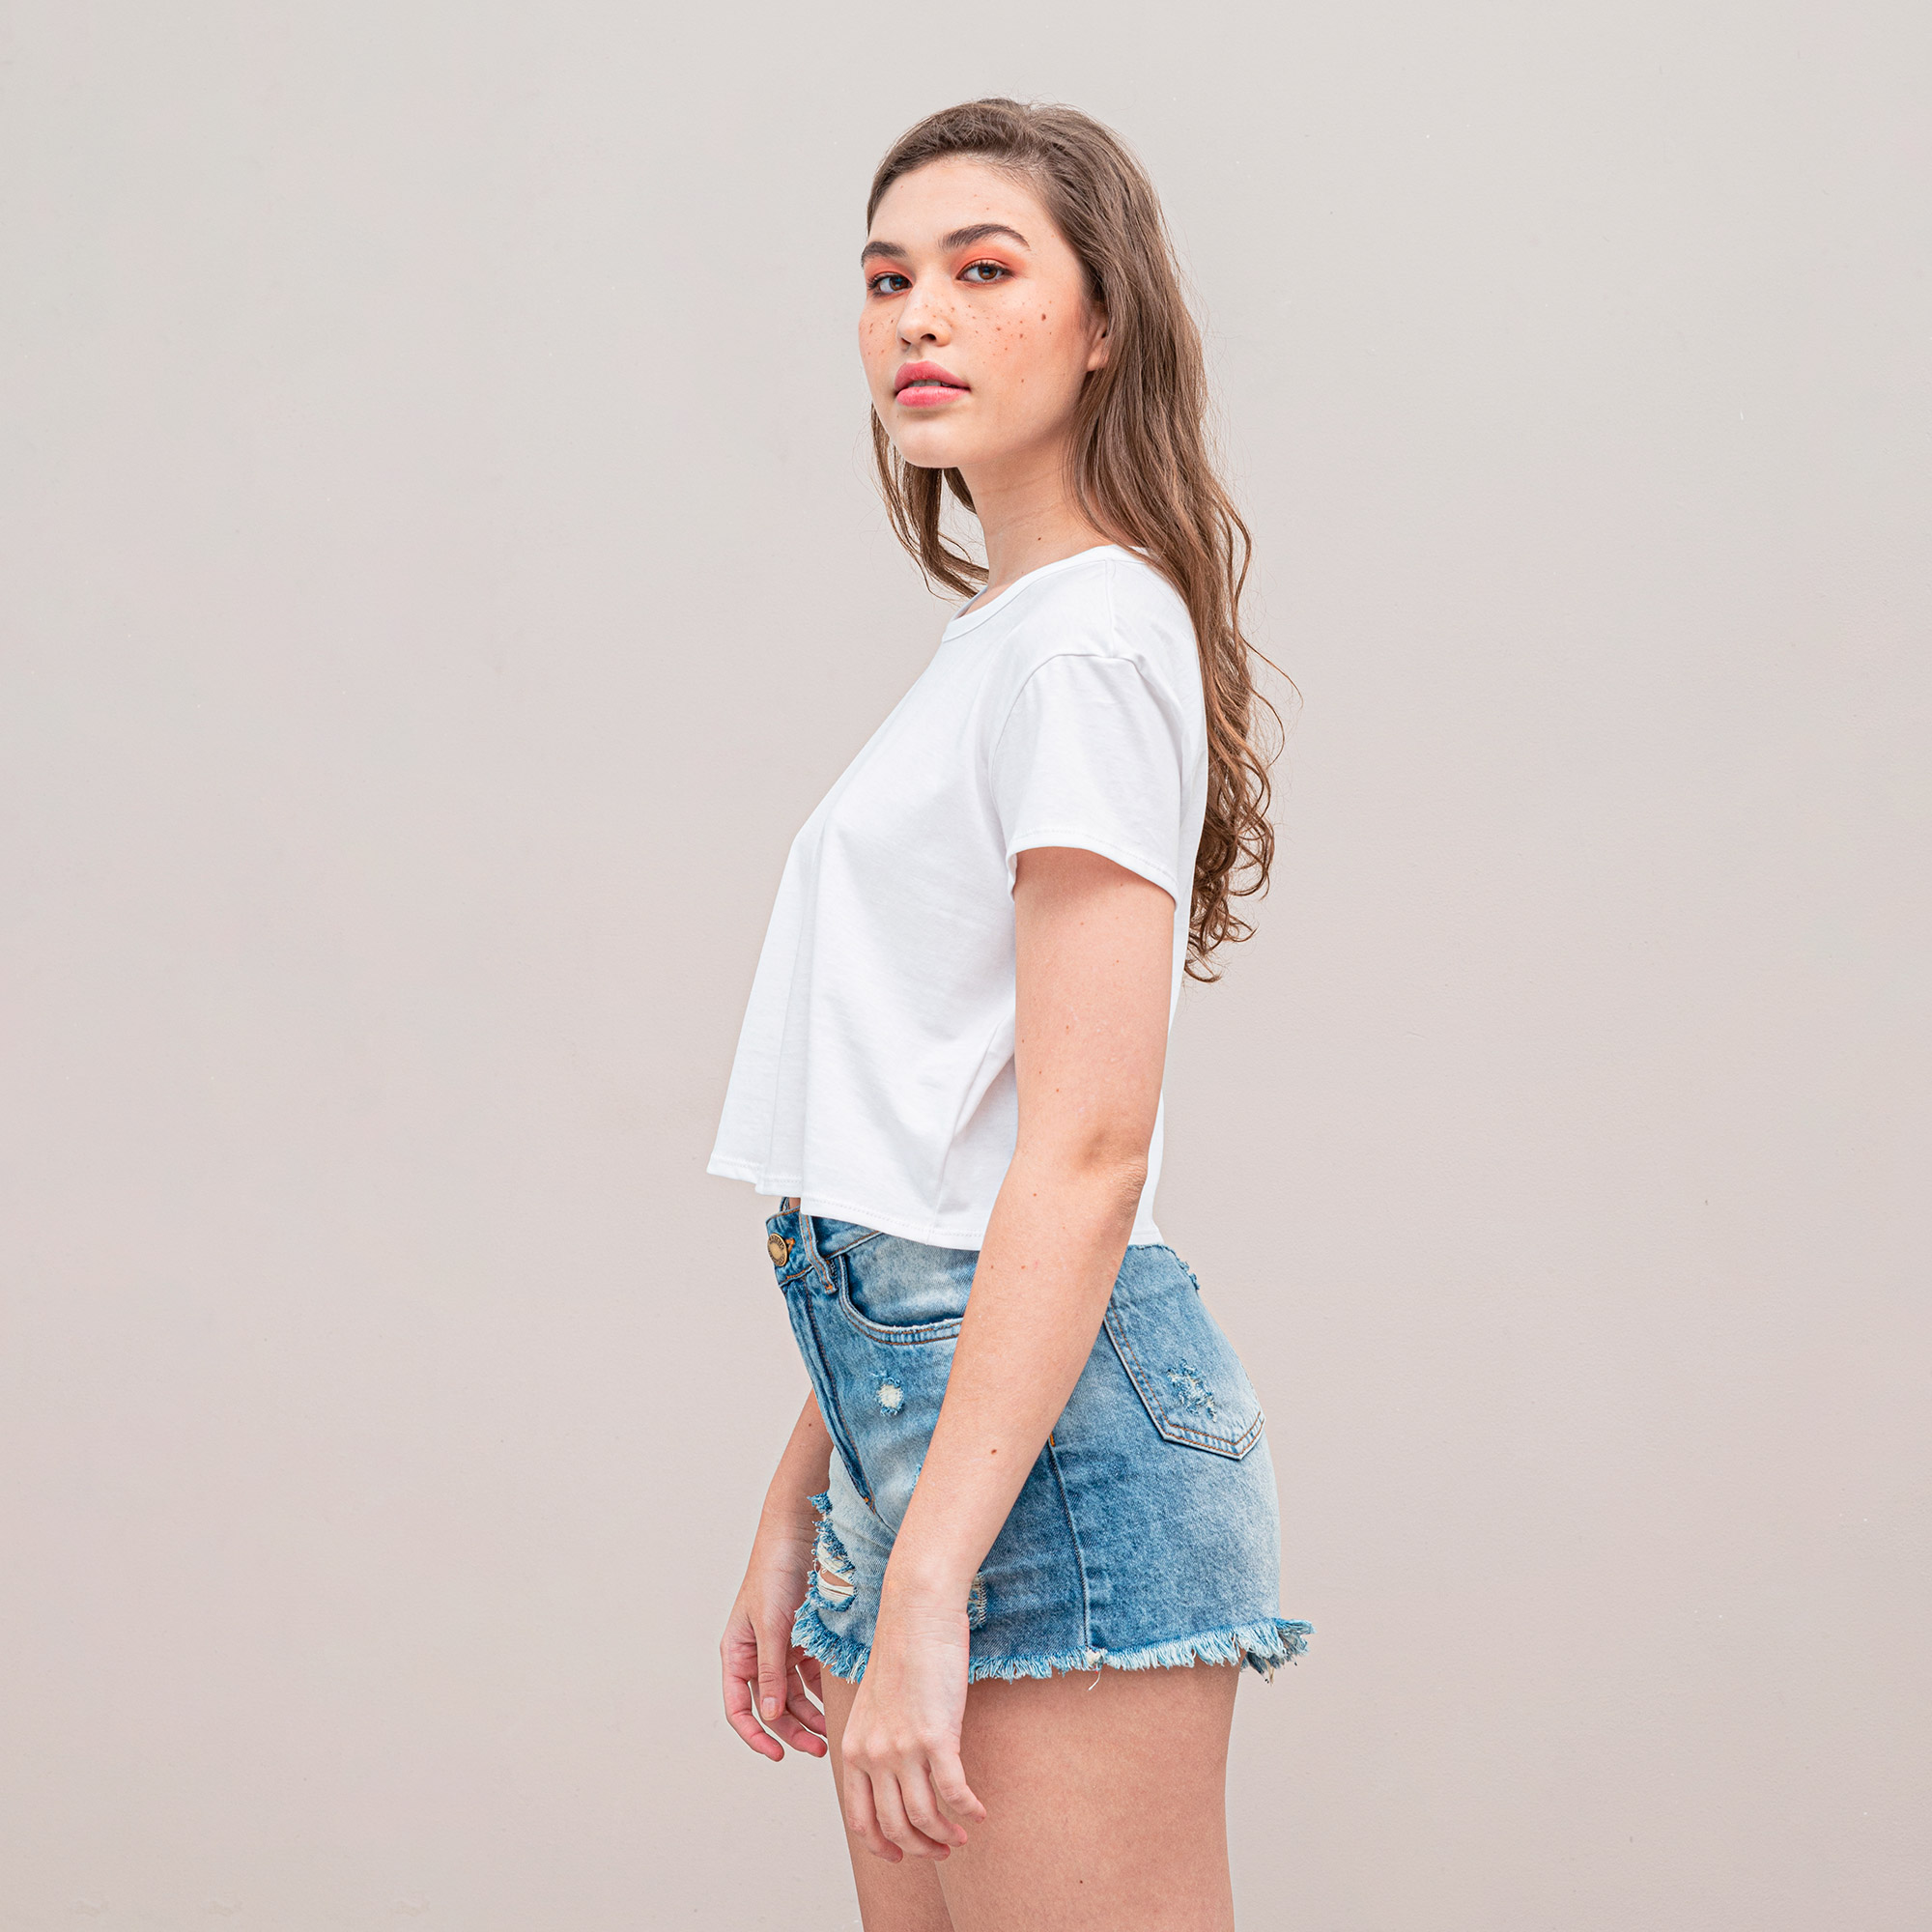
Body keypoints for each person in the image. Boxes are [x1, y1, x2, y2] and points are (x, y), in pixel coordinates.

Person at [711, 98, 1309, 1932]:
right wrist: (810, 1496)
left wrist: (923, 1582)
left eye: (984, 272)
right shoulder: (1010, 638)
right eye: (888, 279)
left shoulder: (1084, 642)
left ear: (1104, 320)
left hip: (1043, 1473)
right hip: (932, 1437)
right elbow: (931, 1156)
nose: (921, 318)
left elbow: (1087, 1150)